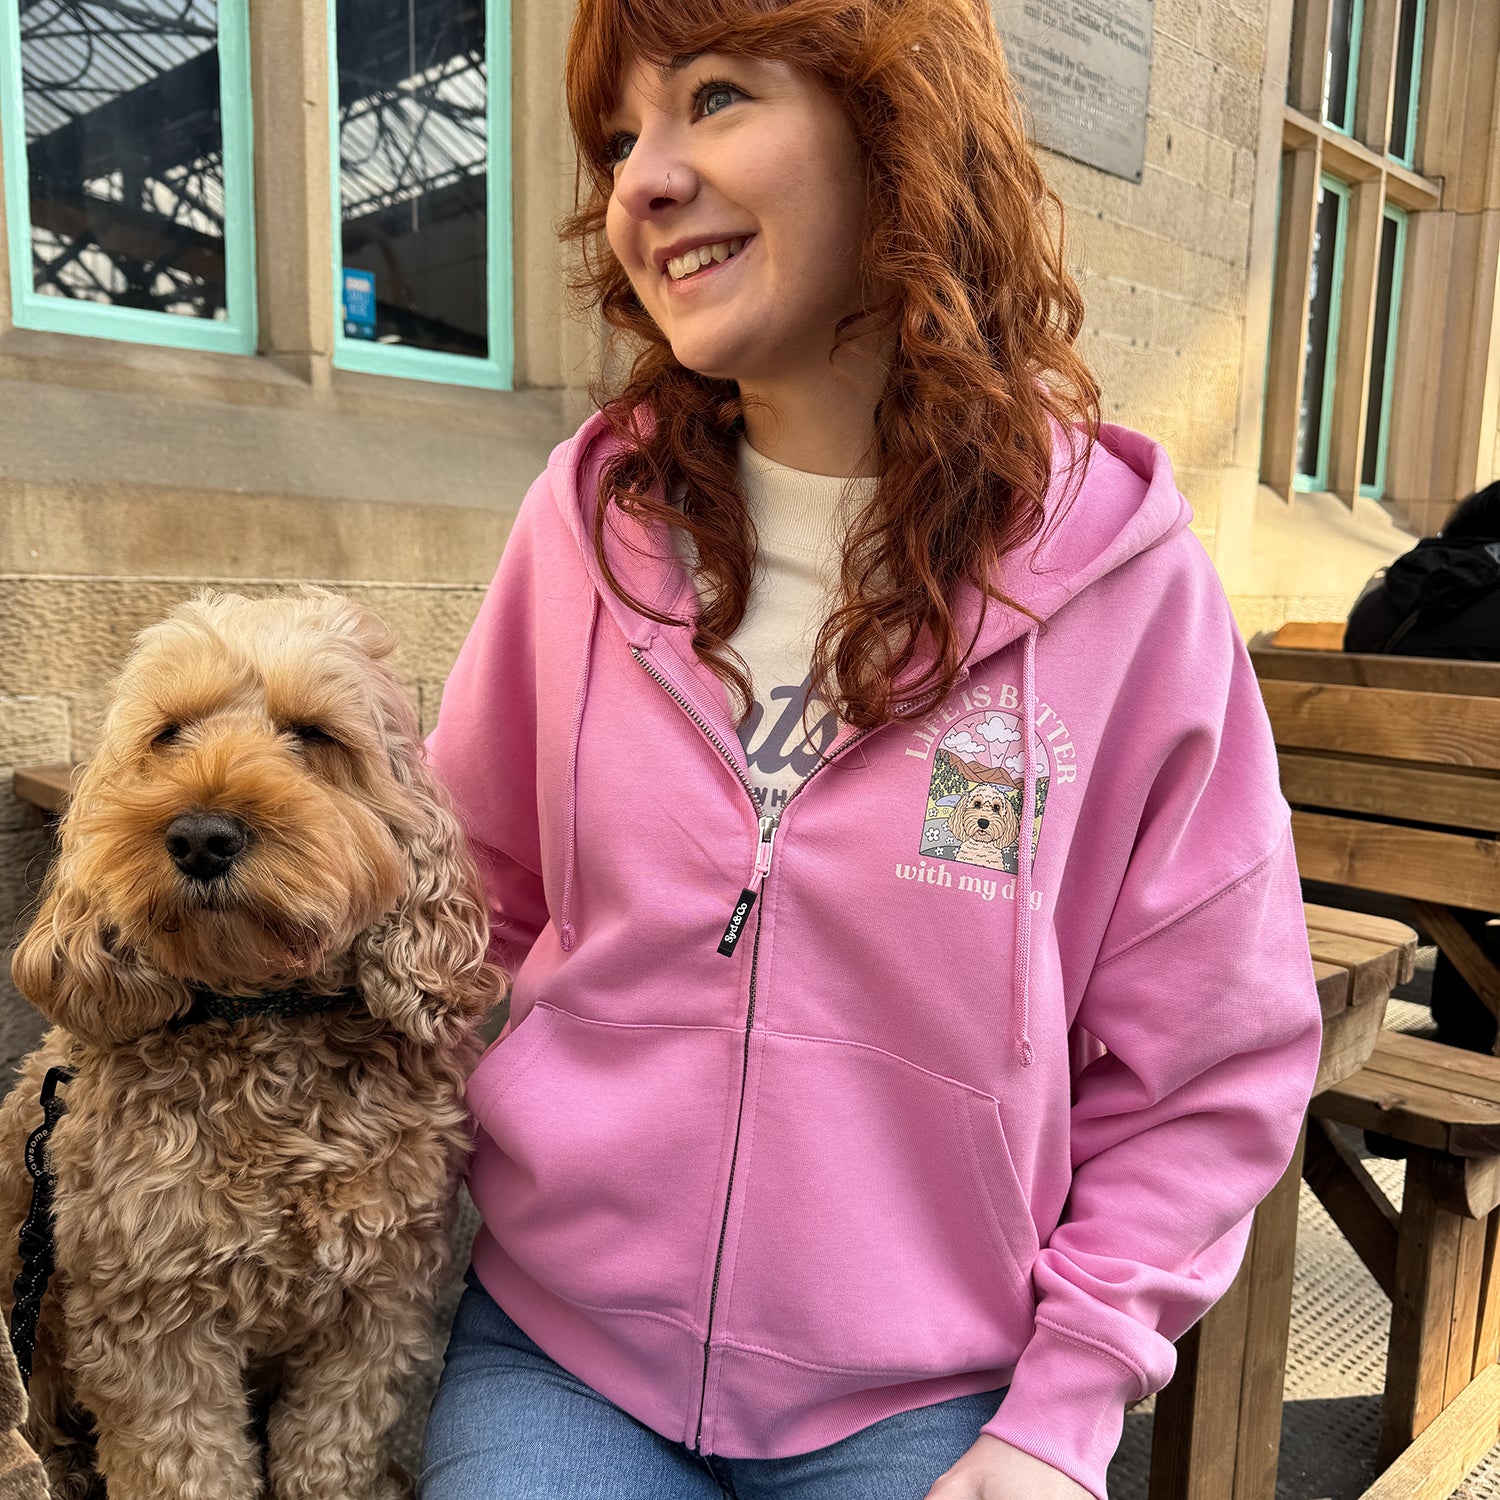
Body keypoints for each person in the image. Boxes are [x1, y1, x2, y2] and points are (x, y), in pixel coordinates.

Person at [420, 1, 1324, 1496]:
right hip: (561, 1350)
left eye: (715, 97)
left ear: (896, 126)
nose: (643, 180)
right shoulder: (585, 530)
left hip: (929, 1390)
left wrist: (1064, 1412)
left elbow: (1217, 1062)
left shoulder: (1126, 586)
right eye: (619, 137)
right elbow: (465, 912)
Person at [1344, 483, 1500, 1053]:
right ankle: (1467, 1034)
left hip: (1351, 838)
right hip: (1473, 854)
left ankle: (1463, 1032)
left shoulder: (1383, 593)